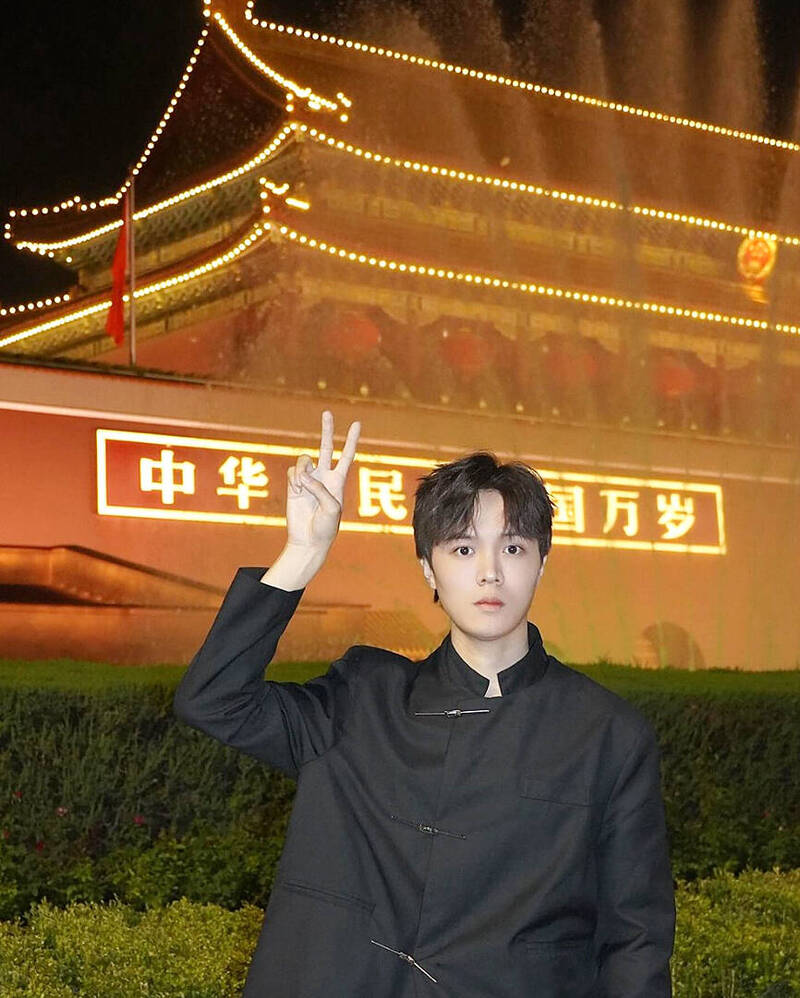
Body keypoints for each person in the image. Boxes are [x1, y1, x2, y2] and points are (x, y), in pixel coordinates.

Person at [173, 410, 675, 997]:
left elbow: (634, 939)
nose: (490, 572)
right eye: (462, 550)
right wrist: (302, 555)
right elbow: (213, 701)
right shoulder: (362, 699)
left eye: (512, 547)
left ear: (542, 560)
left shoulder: (607, 733)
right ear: (427, 570)